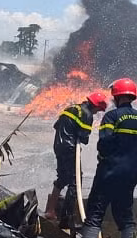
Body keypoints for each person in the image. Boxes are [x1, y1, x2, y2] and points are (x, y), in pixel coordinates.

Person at [75, 77, 137, 238]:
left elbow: (105, 143)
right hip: (132, 173)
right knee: (125, 215)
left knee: (95, 211)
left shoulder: (111, 117)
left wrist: (103, 155)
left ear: (116, 95)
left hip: (110, 171)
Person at [45, 91, 109, 230]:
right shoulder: (87, 114)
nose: (97, 112)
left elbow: (56, 126)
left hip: (58, 146)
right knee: (75, 182)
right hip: (70, 149)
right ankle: (66, 219)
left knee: (62, 178)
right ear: (96, 106)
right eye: (98, 110)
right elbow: (84, 138)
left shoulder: (72, 108)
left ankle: (50, 210)